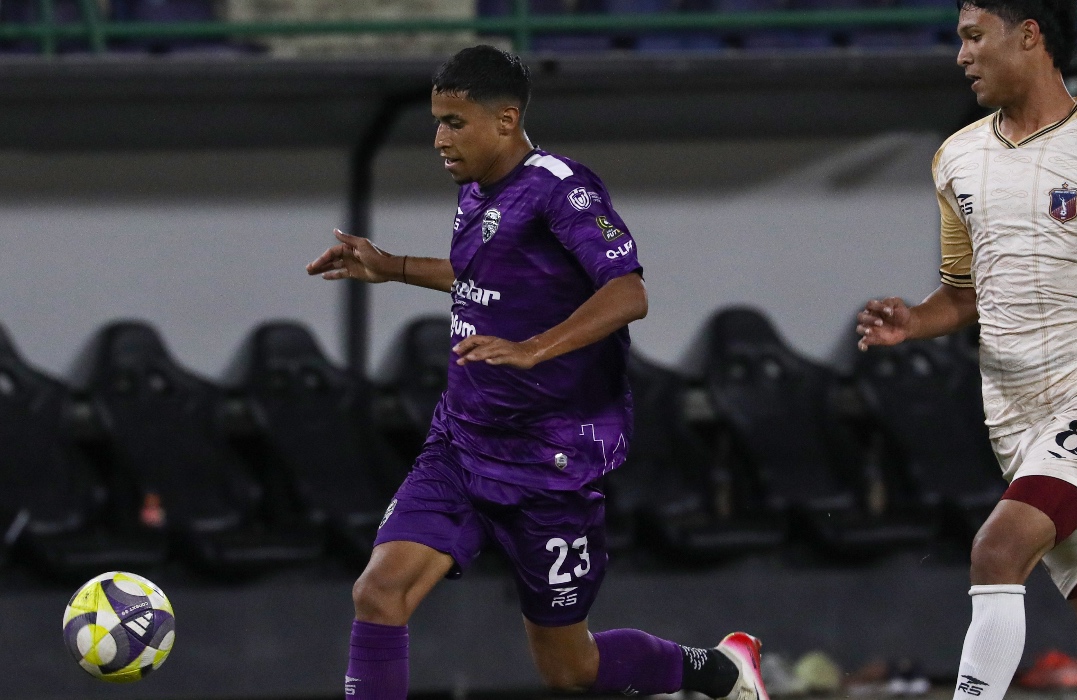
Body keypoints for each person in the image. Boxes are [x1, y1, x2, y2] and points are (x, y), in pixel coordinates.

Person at [307, 45, 770, 700]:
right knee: (379, 592)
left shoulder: (562, 188)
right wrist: (394, 267)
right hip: (463, 442)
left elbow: (628, 292)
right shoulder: (476, 187)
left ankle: (721, 671)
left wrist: (533, 348)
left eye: (454, 123)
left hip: (552, 462)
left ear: (505, 120)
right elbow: (488, 277)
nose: (439, 139)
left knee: (569, 669)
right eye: (436, 122)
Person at [856, 1, 1077, 698]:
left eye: (975, 37)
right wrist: (912, 322)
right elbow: (962, 294)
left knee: (998, 549)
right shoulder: (957, 158)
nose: (962, 56)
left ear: (1030, 36)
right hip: (1014, 416)